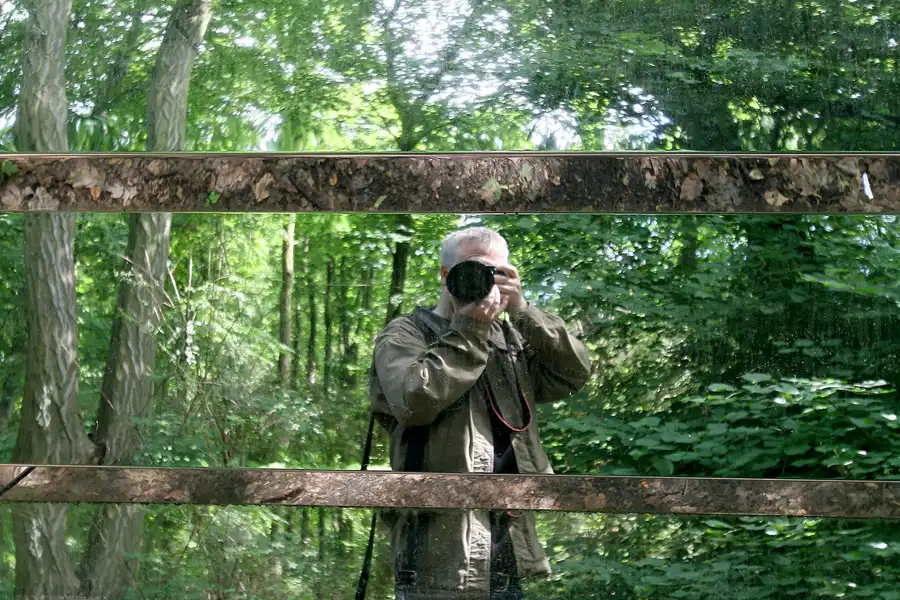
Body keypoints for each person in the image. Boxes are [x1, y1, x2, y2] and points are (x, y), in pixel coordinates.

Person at [369, 226, 592, 600]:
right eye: (473, 268)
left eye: (496, 272)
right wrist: (470, 329)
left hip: (507, 540)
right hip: (436, 547)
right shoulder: (406, 334)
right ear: (445, 274)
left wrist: (523, 311)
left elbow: (573, 374)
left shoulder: (510, 337)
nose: (484, 280)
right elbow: (412, 402)